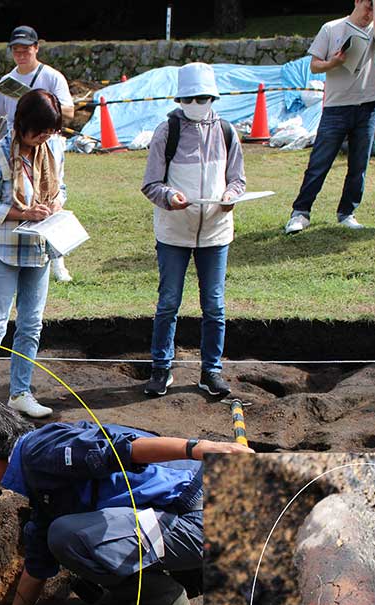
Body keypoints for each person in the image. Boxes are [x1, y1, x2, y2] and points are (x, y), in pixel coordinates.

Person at [0, 400, 253, 605]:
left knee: (68, 536)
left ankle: (162, 600)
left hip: (200, 516)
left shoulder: (41, 454)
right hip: (185, 512)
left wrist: (197, 447)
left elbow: (123, 450)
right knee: (60, 537)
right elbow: (37, 562)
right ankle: (143, 591)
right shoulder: (39, 470)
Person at [140, 62, 246, 399]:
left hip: (215, 232)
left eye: (203, 98)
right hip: (174, 231)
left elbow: (238, 179)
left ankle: (211, 371)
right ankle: (161, 368)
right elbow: (151, 184)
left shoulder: (227, 132)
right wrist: (170, 197)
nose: (196, 104)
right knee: (168, 302)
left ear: (213, 97)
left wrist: (231, 196)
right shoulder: (166, 132)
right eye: (190, 98)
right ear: (180, 99)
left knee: (214, 305)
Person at [0, 89, 67, 419]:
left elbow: (60, 189)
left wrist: (54, 205)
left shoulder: (50, 151)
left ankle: (20, 393)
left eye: (49, 132)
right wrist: (23, 213)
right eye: (39, 131)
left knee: (31, 324)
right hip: (3, 250)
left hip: (38, 247)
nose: (43, 138)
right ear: (22, 124)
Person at [0, 25, 75, 283]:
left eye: (26, 49)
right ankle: (14, 251)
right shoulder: (8, 81)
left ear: (36, 48)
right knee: (18, 193)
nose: (21, 54)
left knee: (50, 192)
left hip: (46, 146)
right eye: (16, 50)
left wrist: (39, 105)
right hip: (16, 143)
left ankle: (56, 258)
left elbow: (69, 112)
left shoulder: (51, 77)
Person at [284, 0, 375, 234]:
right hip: (336, 107)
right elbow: (314, 66)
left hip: (367, 106)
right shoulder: (331, 28)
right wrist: (333, 62)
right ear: (356, 2)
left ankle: (347, 212)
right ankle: (300, 212)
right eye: (368, 6)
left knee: (359, 165)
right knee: (319, 163)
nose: (370, 13)